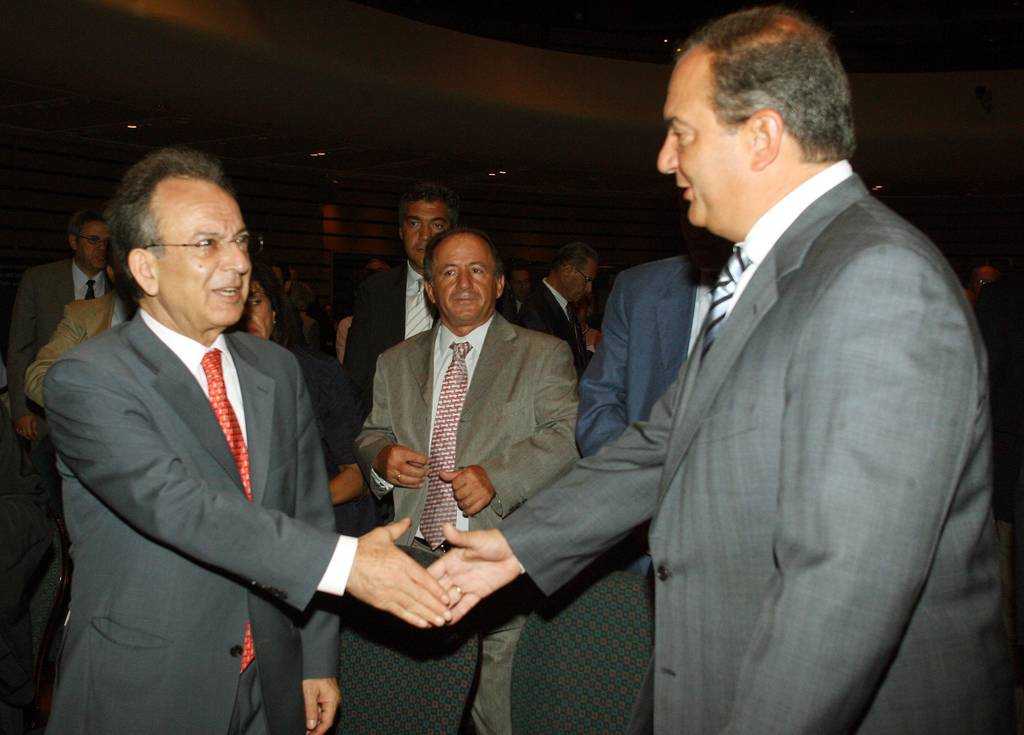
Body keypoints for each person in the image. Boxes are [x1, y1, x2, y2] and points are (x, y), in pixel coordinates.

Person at [430, 7, 1012, 733]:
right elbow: (660, 443)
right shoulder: (773, 271)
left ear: (762, 136)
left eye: (682, 132)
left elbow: (844, 586)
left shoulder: (879, 279)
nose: (664, 160)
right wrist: (520, 546)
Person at [42, 147, 451, 735]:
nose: (237, 263)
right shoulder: (90, 379)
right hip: (150, 684)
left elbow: (309, 511)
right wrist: (346, 564)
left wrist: (316, 658)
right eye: (207, 244)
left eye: (240, 241)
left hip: (271, 680)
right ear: (145, 269)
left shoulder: (275, 369)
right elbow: (181, 507)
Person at [356, 227, 578, 735]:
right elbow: (372, 433)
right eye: (449, 272)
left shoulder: (542, 354)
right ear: (430, 289)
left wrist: (498, 477)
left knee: (497, 714)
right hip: (413, 561)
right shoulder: (394, 361)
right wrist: (381, 458)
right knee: (408, 711)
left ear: (498, 284)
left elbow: (567, 435)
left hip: (497, 563)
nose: (463, 283)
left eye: (477, 270)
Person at [243, 262, 376, 536]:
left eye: (255, 301)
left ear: (275, 311)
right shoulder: (210, 379)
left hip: (326, 531)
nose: (246, 314)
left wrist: (292, 508)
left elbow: (357, 476)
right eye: (236, 302)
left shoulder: (317, 373)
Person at [576, 220, 728, 458]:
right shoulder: (638, 290)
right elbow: (601, 400)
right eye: (686, 202)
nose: (696, 213)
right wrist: (631, 472)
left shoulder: (789, 289)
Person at [343, 182, 459, 406]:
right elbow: (356, 375)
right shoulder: (375, 291)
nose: (425, 236)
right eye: (415, 224)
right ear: (400, 231)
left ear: (452, 233)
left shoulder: (472, 292)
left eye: (436, 225)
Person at [6, 210, 109, 443]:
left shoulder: (120, 286)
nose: (102, 248)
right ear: (73, 241)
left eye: (107, 242)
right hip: (45, 410)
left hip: (102, 413)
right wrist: (21, 409)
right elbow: (20, 349)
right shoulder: (40, 280)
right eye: (93, 240)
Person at [23, 266, 133, 407]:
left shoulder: (160, 319)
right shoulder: (82, 315)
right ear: (111, 271)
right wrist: (87, 408)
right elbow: (39, 375)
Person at [516, 241, 598, 376]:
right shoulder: (535, 310)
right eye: (587, 280)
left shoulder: (566, 306)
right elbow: (547, 368)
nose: (589, 289)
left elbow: (575, 358)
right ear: (567, 270)